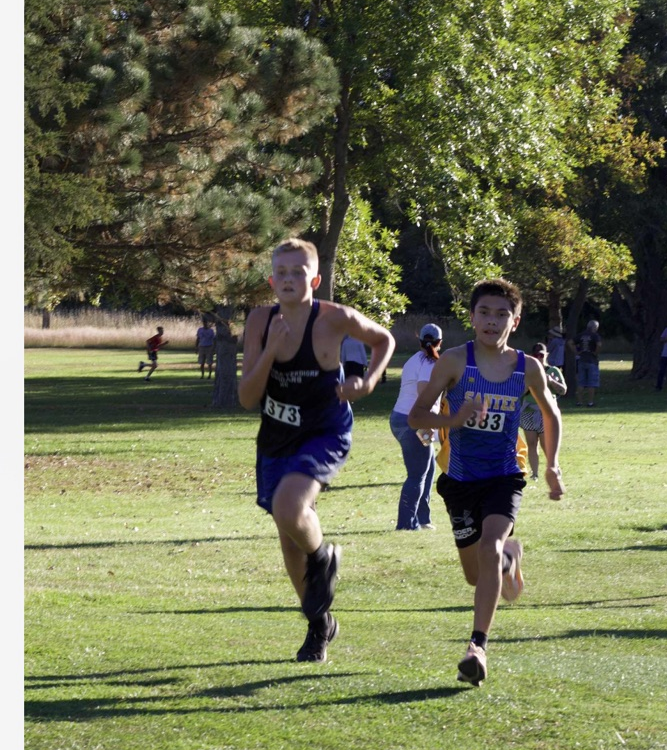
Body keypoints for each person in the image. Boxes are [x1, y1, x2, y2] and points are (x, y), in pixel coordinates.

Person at [239, 238, 395, 664]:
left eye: (298, 272)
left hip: (325, 431)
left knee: (290, 506)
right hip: (276, 436)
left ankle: (323, 555)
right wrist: (270, 349)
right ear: (272, 280)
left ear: (316, 279)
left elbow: (385, 341)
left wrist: (368, 382)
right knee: (289, 538)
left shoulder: (335, 319)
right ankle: (319, 624)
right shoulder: (258, 321)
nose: (289, 279)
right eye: (282, 273)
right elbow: (247, 398)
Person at [408, 278, 564, 687]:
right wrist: (454, 420)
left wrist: (552, 465)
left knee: (490, 545)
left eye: (501, 315)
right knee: (476, 575)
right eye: (485, 313)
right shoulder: (455, 362)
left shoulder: (527, 367)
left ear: (515, 320)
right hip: (459, 479)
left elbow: (551, 414)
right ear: (472, 317)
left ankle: (477, 647)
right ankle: (510, 560)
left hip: (504, 475)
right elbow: (417, 416)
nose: (492, 322)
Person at [389, 323, 443, 531]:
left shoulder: (414, 359)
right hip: (414, 423)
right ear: (440, 342)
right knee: (417, 473)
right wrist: (429, 425)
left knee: (428, 466)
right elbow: (423, 393)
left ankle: (423, 518)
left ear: (419, 340)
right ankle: (406, 524)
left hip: (401, 419)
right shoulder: (430, 362)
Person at [519, 341, 567, 480]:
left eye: (541, 355)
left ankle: (554, 468)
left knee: (546, 444)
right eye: (535, 355)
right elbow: (519, 392)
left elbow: (563, 390)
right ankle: (535, 474)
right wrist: (529, 386)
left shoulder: (553, 371)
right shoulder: (527, 372)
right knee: (532, 444)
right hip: (528, 411)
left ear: (546, 355)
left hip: (546, 412)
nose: (539, 358)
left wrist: (551, 381)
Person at [574, 319, 602, 407]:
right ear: (595, 327)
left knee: (581, 382)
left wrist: (576, 352)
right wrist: (596, 353)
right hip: (592, 361)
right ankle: (590, 402)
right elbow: (599, 345)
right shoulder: (595, 335)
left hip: (582, 360)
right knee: (591, 382)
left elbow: (570, 342)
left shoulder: (581, 335)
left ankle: (579, 402)